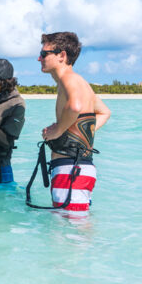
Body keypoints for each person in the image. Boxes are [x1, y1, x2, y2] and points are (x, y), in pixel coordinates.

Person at [39, 32, 111, 211]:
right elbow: (104, 112)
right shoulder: (81, 83)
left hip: (71, 169)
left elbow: (75, 107)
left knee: (70, 230)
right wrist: (76, 134)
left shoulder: (69, 79)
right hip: (78, 168)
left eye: (44, 54)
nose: (39, 58)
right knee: (74, 229)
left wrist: (59, 131)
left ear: (61, 55)